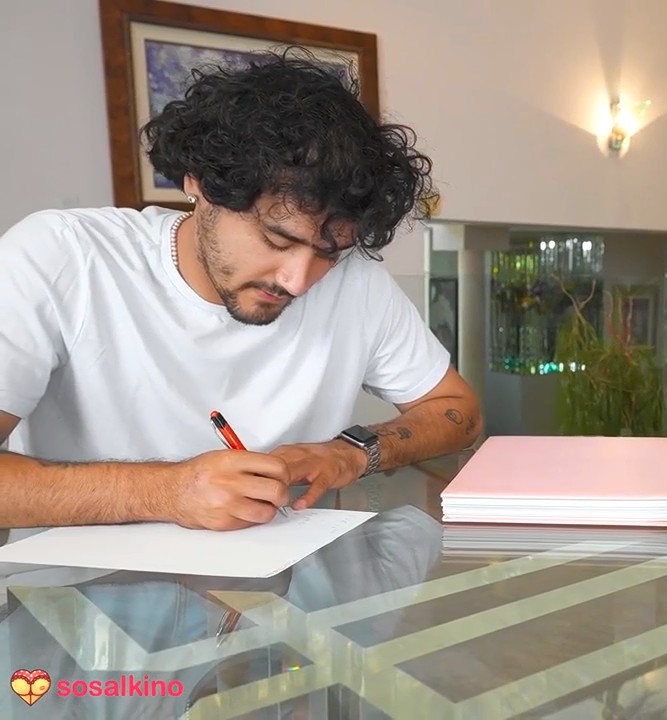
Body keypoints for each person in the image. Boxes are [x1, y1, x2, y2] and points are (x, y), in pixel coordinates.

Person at [0, 48, 482, 531]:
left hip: (285, 571)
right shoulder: (62, 256)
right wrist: (169, 492)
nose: (298, 280)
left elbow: (458, 412)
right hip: (79, 578)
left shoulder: (357, 284)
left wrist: (351, 453)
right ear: (200, 183)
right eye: (277, 239)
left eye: (328, 253)